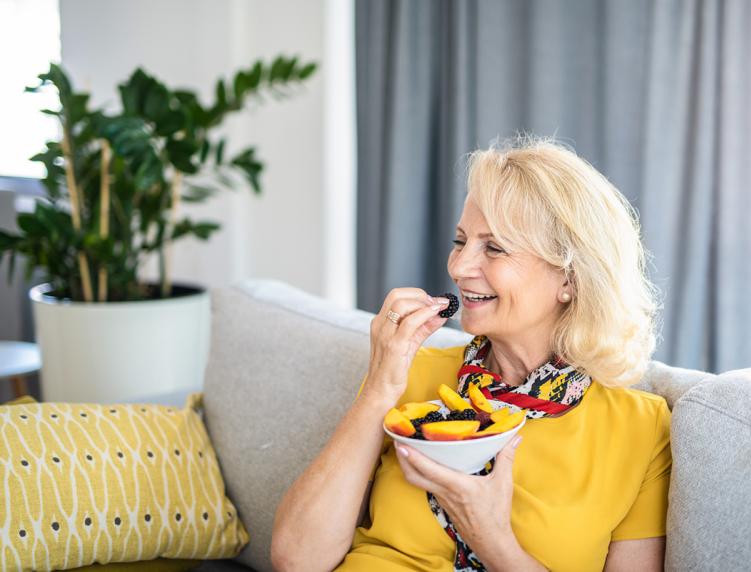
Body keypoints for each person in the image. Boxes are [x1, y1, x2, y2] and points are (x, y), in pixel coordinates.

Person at [271, 135, 669, 572]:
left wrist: (489, 535)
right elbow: (296, 560)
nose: (458, 267)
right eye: (461, 241)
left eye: (494, 247)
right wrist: (379, 389)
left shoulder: (640, 429)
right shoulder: (405, 373)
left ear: (570, 280)